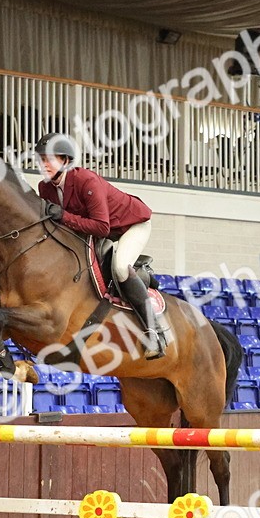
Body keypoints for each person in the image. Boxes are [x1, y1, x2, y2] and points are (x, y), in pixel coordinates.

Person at [35, 133, 164, 360]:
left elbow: (102, 227)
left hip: (130, 225)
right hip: (96, 231)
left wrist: (63, 216)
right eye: (42, 159)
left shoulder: (86, 180)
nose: (44, 164)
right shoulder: (44, 188)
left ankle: (153, 332)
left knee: (121, 267)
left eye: (50, 159)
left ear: (65, 161)